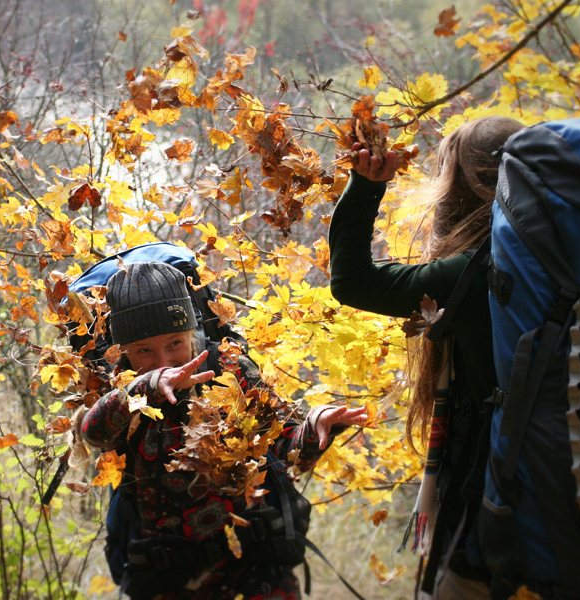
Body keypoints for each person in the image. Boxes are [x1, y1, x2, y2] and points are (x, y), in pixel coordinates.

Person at [75, 260, 368, 600]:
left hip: (257, 567)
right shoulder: (117, 393)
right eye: (145, 351)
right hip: (170, 579)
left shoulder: (229, 368)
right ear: (124, 351)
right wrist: (145, 388)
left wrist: (317, 427)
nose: (164, 361)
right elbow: (93, 433)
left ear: (190, 332)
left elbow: (287, 453)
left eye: (174, 343)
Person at [328, 116, 526, 599]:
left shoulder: (470, 273)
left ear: (460, 187)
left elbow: (352, 281)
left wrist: (366, 188)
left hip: (490, 494)